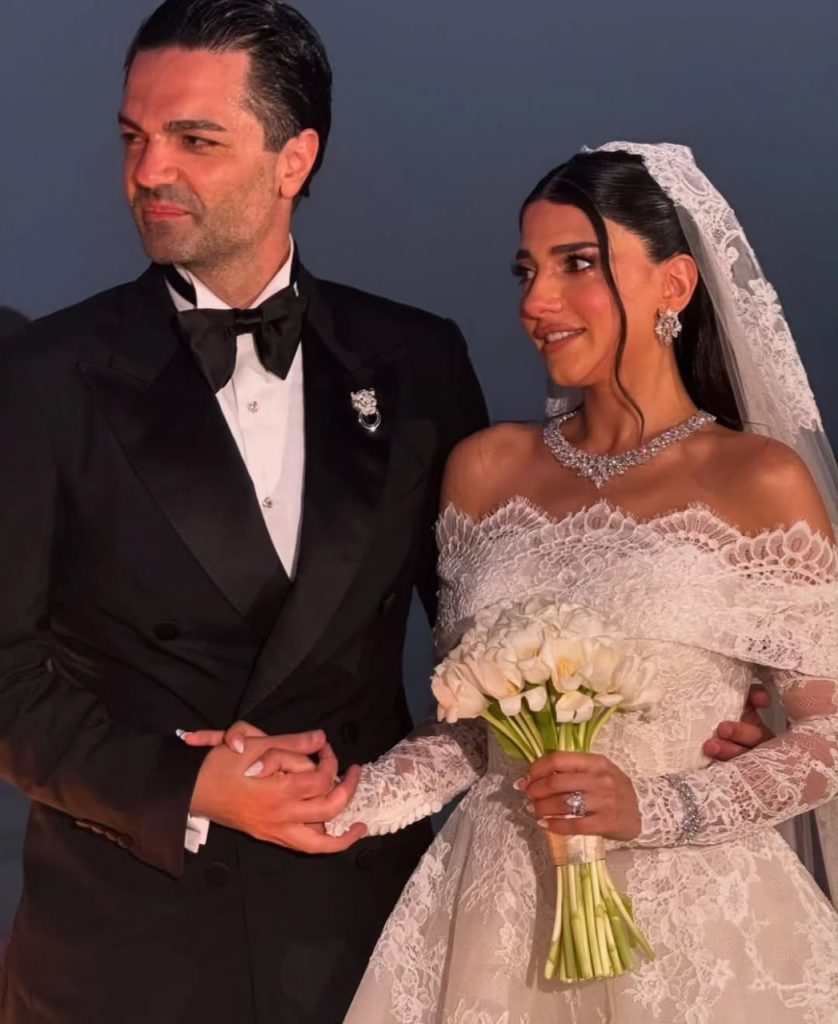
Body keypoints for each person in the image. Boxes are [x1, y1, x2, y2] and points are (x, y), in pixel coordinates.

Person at [0, 2, 489, 1021]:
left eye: (195, 139)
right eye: (134, 137)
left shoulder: (419, 361)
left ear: (293, 159)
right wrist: (186, 787)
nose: (148, 171)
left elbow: (490, 637)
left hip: (361, 927)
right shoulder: (41, 375)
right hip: (123, 943)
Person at [326, 143, 838, 1023]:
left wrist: (656, 805)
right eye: (527, 270)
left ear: (675, 284)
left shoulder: (758, 481)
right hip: (495, 917)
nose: (536, 301)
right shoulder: (485, 471)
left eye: (578, 264)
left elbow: (828, 737)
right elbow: (472, 732)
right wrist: (350, 803)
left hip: (698, 931)